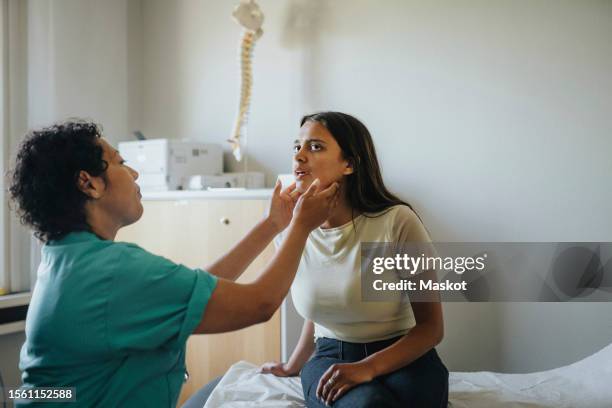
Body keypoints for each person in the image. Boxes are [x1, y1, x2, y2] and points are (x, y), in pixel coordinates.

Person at [8, 120, 339, 407]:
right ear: (89, 183)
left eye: (315, 146)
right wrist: (299, 227)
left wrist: (273, 225)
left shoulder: (65, 257)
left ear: (350, 164)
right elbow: (260, 304)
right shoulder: (113, 272)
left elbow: (194, 289)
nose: (135, 172)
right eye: (121, 162)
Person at [257, 112, 449, 407]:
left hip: (403, 354)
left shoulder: (397, 222)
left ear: (350, 163)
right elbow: (322, 305)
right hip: (331, 354)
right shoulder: (293, 230)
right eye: (297, 147)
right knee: (367, 404)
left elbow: (431, 328)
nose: (299, 157)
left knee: (412, 398)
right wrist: (293, 364)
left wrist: (367, 367)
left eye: (315, 147)